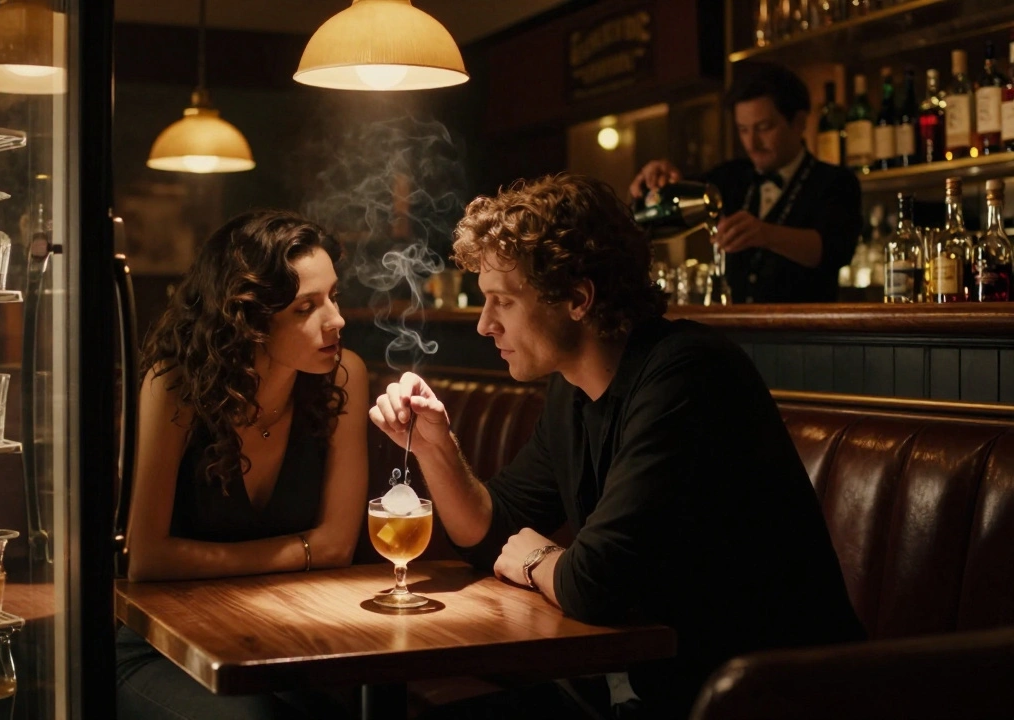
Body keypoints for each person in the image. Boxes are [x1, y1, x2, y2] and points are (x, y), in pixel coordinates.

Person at [369, 175, 865, 719]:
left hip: (763, 695)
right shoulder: (573, 390)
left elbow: (593, 584)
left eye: (502, 301)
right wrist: (435, 445)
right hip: (655, 686)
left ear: (578, 298)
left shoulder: (688, 375)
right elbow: (490, 533)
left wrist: (537, 557)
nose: (486, 324)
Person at [117, 209, 369, 720]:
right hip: (162, 646)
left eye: (333, 297)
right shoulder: (174, 386)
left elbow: (338, 545)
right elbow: (146, 559)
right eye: (306, 308)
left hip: (284, 640)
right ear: (249, 319)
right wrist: (302, 549)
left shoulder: (344, 377)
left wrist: (206, 560)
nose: (336, 320)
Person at [629, 62, 862, 303]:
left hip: (807, 334)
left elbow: (834, 250)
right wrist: (659, 177)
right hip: (737, 330)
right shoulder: (731, 176)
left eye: (764, 128)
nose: (752, 143)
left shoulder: (836, 181)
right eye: (743, 130)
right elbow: (673, 199)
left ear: (799, 122)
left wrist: (766, 234)